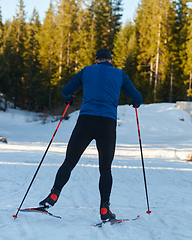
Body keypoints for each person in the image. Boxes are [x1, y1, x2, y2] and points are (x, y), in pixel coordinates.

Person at [39, 49, 143, 221]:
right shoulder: (120, 74)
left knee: (70, 161)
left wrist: (69, 97)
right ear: (111, 60)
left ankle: (53, 196)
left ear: (96, 60)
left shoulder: (87, 70)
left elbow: (66, 89)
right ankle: (104, 209)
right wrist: (135, 102)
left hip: (86, 121)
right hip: (107, 124)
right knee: (105, 169)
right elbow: (137, 97)